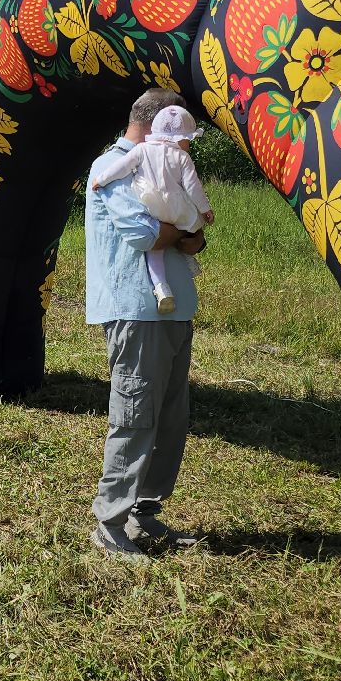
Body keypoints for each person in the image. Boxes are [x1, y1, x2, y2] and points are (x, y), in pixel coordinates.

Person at [85, 88, 208, 563]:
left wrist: (182, 233)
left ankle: (144, 512)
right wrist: (182, 231)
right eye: (181, 132)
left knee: (171, 418)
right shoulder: (112, 165)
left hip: (175, 307)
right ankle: (110, 523)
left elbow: (196, 236)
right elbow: (142, 233)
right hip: (136, 308)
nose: (186, 145)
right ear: (156, 124)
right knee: (135, 416)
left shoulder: (169, 166)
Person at [89, 105, 214, 315]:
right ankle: (188, 263)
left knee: (155, 248)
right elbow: (193, 187)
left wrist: (100, 180)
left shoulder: (141, 150)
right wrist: (205, 209)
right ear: (179, 138)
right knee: (188, 229)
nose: (188, 144)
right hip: (177, 206)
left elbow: (121, 168)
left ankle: (161, 287)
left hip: (151, 203)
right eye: (188, 140)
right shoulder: (182, 157)